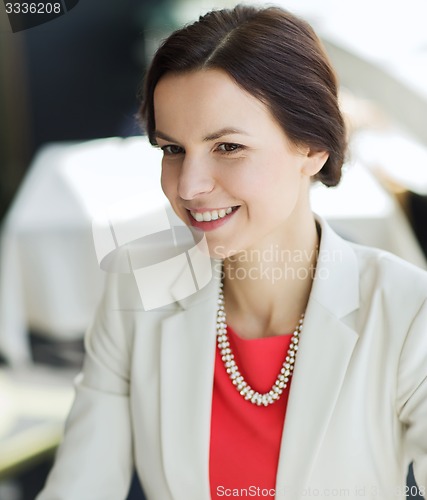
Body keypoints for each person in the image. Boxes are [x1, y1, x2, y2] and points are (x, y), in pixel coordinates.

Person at [37, 5, 427, 500]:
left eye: (227, 147)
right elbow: (81, 486)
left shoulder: (410, 311)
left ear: (311, 147)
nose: (191, 186)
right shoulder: (137, 286)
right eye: (172, 149)